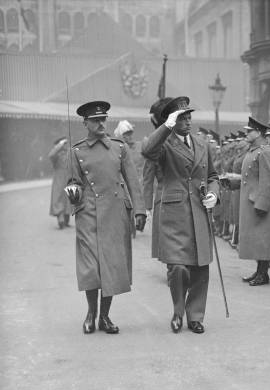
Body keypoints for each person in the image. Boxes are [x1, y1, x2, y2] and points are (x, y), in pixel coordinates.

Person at [65, 101, 146, 334]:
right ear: (85, 123)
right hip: (88, 212)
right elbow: (73, 181)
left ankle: (105, 317)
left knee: (111, 266)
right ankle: (91, 313)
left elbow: (132, 181)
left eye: (103, 119)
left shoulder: (119, 148)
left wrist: (139, 210)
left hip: (115, 212)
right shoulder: (76, 151)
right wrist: (72, 190)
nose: (101, 124)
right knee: (91, 267)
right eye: (95, 120)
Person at [141, 96, 219, 334]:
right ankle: (178, 311)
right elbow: (147, 151)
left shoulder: (202, 144)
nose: (187, 121)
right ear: (172, 120)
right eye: (181, 117)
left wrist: (214, 195)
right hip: (174, 213)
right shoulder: (164, 144)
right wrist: (166, 126)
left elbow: (213, 176)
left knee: (199, 267)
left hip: (199, 210)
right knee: (178, 268)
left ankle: (195, 315)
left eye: (188, 116)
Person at [233, 117, 270, 286]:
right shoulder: (253, 150)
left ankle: (263, 274)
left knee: (262, 239)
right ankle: (259, 271)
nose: (247, 133)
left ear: (259, 133)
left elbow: (268, 180)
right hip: (250, 200)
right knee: (256, 239)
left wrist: (262, 203)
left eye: (249, 131)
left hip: (259, 201)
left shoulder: (264, 151)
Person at [143, 97, 173, 263]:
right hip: (164, 195)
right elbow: (148, 177)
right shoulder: (154, 143)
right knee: (167, 237)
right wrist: (146, 206)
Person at [48, 136, 71, 229]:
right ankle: (60, 220)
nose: (66, 145)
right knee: (58, 199)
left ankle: (66, 220)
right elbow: (51, 155)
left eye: (66, 143)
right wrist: (59, 145)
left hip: (68, 179)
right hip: (59, 180)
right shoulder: (56, 156)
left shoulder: (69, 153)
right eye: (64, 144)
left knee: (68, 200)